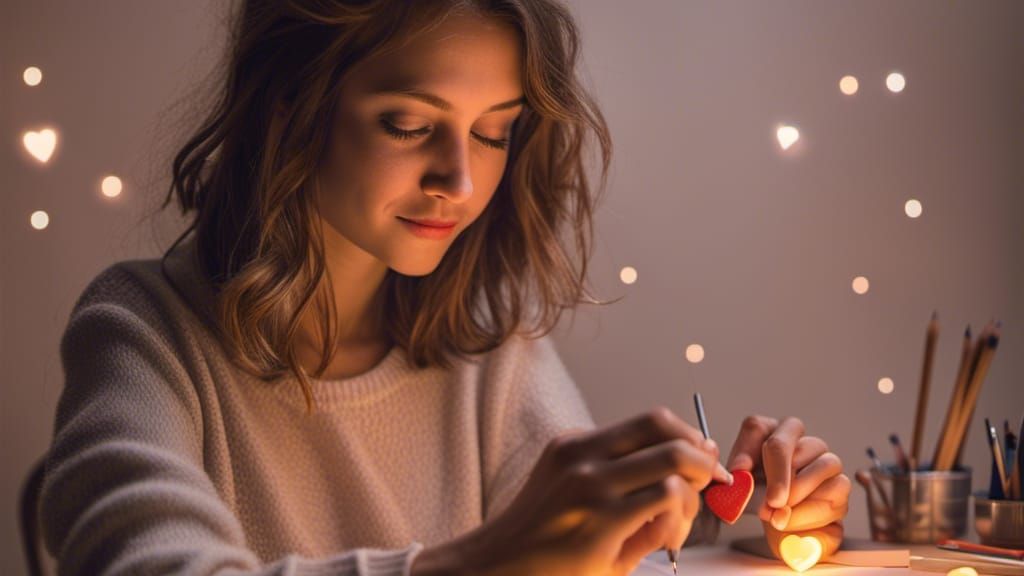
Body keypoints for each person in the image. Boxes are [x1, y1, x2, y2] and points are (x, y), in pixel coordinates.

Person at [39, 1, 849, 575]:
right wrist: (485, 561)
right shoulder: (145, 333)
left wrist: (759, 532)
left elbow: (601, 559)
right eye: (410, 125)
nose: (459, 181)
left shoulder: (490, 350)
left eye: (495, 131)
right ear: (288, 104)